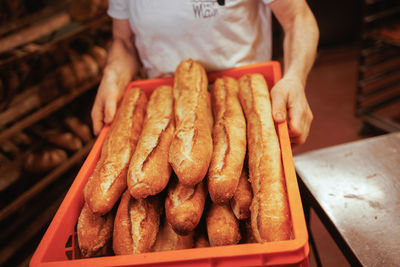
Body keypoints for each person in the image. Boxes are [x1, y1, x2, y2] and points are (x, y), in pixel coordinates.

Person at [91, 0, 319, 145]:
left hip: (246, 103)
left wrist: (294, 77)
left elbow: (298, 18)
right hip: (165, 112)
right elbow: (124, 42)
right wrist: (112, 73)